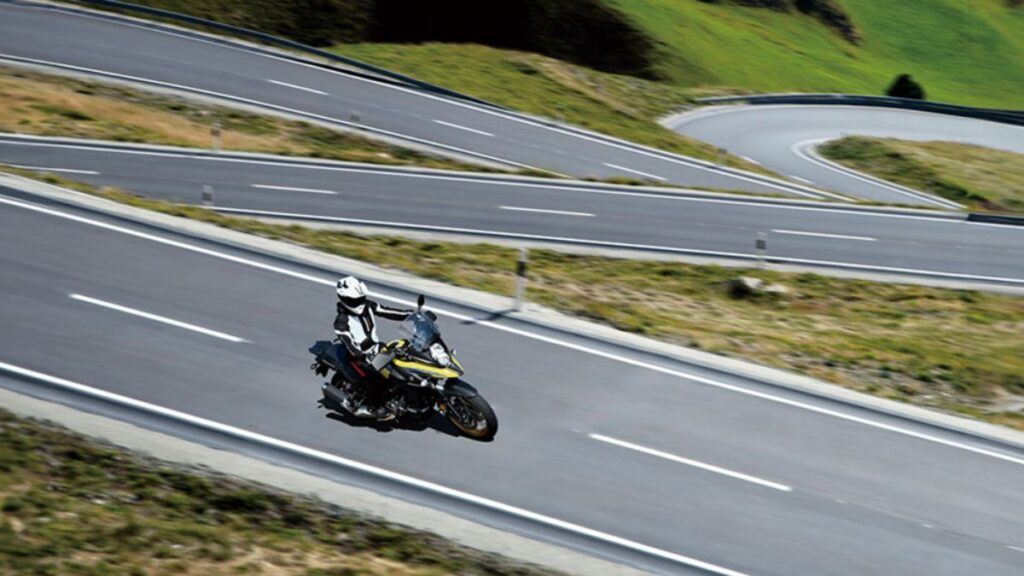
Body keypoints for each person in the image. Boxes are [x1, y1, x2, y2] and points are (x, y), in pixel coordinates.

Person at [333, 276, 413, 419]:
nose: (359, 303)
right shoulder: (341, 322)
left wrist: (411, 314)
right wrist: (361, 356)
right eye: (354, 300)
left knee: (405, 361)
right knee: (378, 380)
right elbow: (349, 345)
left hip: (376, 349)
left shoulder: (368, 306)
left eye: (361, 298)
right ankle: (373, 407)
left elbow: (389, 312)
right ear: (344, 300)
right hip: (357, 358)